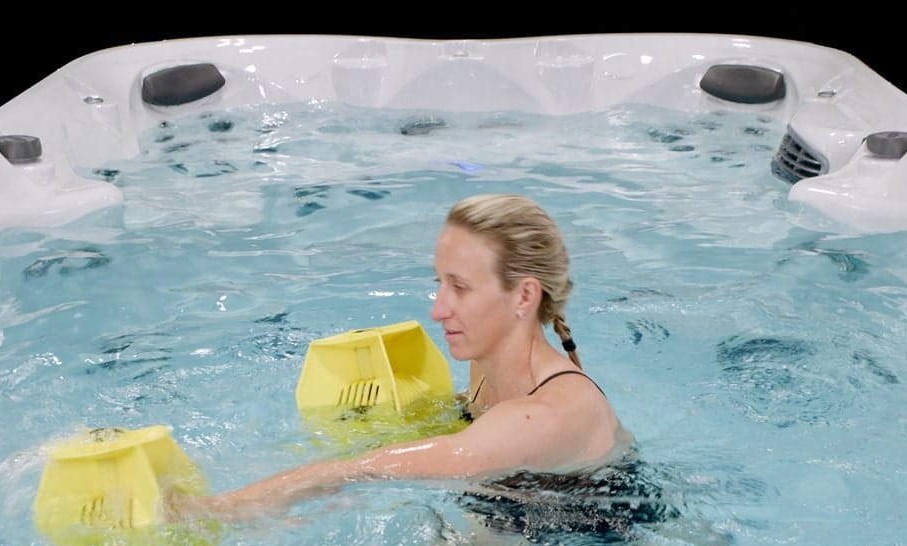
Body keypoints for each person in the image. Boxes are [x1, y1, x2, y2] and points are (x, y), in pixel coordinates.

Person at [168, 193, 634, 523]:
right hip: (514, 511)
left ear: (524, 296)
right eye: (440, 282)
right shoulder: (485, 360)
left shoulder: (547, 415)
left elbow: (365, 468)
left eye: (461, 287)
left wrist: (219, 510)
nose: (438, 309)